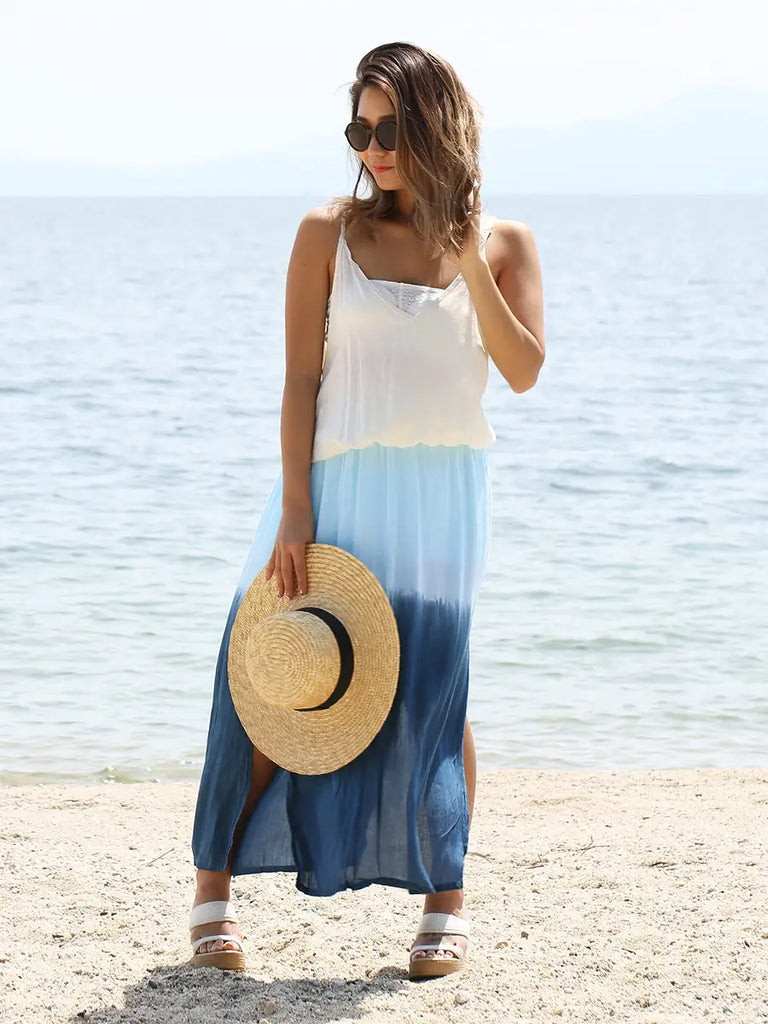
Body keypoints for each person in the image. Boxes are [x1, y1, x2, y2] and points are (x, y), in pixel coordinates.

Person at [188, 40, 545, 977]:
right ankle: (212, 897)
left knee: (435, 691)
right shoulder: (327, 233)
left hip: (441, 502)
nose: (373, 149)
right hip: (336, 488)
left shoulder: (504, 245)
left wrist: (468, 262)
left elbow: (523, 371)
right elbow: (299, 380)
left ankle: (445, 901)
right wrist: (294, 511)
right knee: (268, 674)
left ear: (437, 125)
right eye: (361, 131)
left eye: (390, 129)